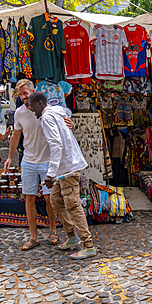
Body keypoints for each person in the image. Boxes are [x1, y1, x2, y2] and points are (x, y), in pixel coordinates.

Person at [4, 79, 69, 250]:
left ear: (33, 91)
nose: (24, 97)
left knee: (50, 198)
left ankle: (53, 230)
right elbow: (16, 135)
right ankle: (33, 237)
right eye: (20, 94)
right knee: (29, 197)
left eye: (25, 93)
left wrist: (71, 122)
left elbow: (64, 119)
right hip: (28, 161)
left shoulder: (46, 109)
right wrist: (10, 157)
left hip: (47, 160)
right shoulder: (19, 113)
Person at [31, 92, 97, 259]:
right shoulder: (55, 110)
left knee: (73, 205)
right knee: (56, 201)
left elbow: (56, 145)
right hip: (64, 168)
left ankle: (88, 245)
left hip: (67, 168)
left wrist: (49, 174)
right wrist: (70, 123)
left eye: (32, 105)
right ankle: (72, 237)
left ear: (40, 103)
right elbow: (66, 112)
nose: (31, 109)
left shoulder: (46, 118)